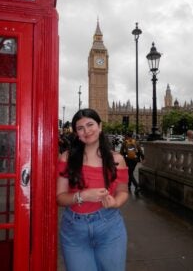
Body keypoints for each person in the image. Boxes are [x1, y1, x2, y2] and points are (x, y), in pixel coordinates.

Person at [57, 108, 129, 271]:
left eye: (90, 125)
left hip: (109, 226)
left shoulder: (117, 159)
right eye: (80, 128)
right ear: (76, 133)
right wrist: (81, 196)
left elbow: (123, 190)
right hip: (74, 229)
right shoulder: (67, 158)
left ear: (100, 126)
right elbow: (60, 198)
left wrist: (115, 202)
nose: (86, 131)